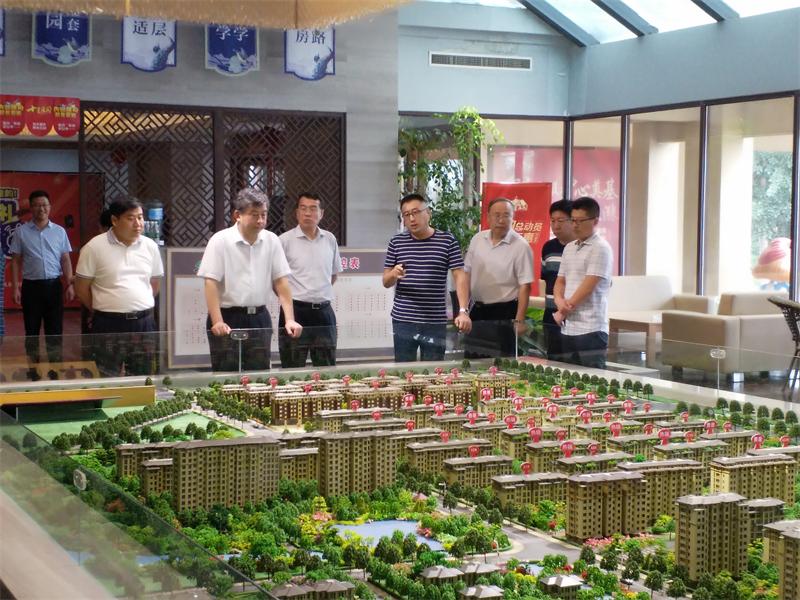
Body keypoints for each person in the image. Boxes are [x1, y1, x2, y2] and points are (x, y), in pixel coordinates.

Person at [198, 188, 302, 372]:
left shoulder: (272, 240)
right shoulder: (220, 240)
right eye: (254, 215)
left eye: (263, 214)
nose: (260, 220)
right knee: (226, 376)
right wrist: (217, 321)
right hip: (228, 317)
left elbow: (281, 282)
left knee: (259, 376)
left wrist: (290, 319)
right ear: (237, 215)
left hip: (259, 318)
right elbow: (210, 283)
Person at [75, 196, 164, 375]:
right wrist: (103, 307)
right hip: (108, 324)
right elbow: (81, 288)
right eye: (131, 218)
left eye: (140, 217)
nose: (138, 224)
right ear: (115, 220)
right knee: (106, 376)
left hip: (143, 323)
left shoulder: (150, 246)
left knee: (142, 376)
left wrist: (136, 303)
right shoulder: (94, 247)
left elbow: (155, 283)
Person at [383, 193, 471, 362]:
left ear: (428, 213)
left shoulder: (447, 240)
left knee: (433, 369)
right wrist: (393, 274)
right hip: (403, 320)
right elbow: (386, 281)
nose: (411, 219)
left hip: (434, 321)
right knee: (404, 369)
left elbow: (460, 275)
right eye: (406, 215)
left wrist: (462, 311)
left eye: (416, 212)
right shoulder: (396, 242)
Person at [463, 197, 533, 358]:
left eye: (506, 215)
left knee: (501, 363)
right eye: (496, 215)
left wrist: (520, 320)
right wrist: (464, 309)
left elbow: (525, 285)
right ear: (488, 217)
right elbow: (466, 273)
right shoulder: (477, 239)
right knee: (472, 360)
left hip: (505, 313)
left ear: (513, 217)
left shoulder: (521, 246)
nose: (501, 220)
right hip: (478, 311)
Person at [9, 190, 74, 364]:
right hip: (31, 288)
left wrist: (70, 284)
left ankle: (55, 369)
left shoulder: (59, 232)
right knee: (31, 330)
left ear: (50, 207)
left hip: (54, 286)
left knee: (55, 330)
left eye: (44, 205)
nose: (41, 209)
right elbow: (15, 261)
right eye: (37, 205)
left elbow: (65, 259)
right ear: (31, 208)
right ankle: (33, 370)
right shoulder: (21, 232)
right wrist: (15, 288)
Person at [278, 192, 342, 367]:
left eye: (313, 209)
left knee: (326, 368)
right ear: (296, 213)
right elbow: (277, 281)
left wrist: (317, 294)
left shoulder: (330, 239)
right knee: (292, 367)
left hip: (324, 313)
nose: (308, 213)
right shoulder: (284, 241)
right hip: (295, 312)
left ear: (321, 213)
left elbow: (333, 275)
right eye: (303, 208)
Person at [553, 196, 613, 369]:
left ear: (595, 221)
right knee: (569, 377)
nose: (575, 225)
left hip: (591, 328)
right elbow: (560, 281)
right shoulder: (569, 247)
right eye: (573, 220)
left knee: (592, 379)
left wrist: (563, 310)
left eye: (580, 221)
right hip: (568, 327)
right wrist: (559, 302)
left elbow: (588, 287)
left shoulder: (600, 248)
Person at [540, 199, 575, 360]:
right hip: (551, 313)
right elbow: (546, 278)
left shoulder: (582, 247)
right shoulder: (548, 247)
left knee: (574, 362)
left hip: (573, 314)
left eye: (560, 221)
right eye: (552, 221)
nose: (555, 226)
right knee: (553, 360)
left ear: (573, 220)